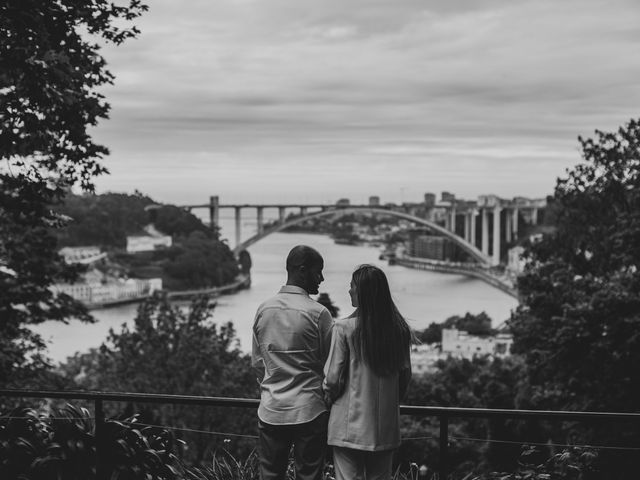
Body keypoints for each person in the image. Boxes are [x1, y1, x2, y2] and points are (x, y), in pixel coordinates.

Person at [323, 264, 413, 480]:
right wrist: (391, 403)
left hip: (348, 425)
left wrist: (328, 399)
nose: (349, 291)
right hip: (385, 427)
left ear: (362, 292)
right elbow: (405, 377)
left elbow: (332, 380)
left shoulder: (344, 329)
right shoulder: (398, 330)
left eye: (352, 286)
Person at [252, 245, 334, 480]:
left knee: (270, 475)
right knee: (309, 475)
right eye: (318, 272)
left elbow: (258, 363)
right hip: (309, 409)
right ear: (302, 270)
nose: (321, 278)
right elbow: (332, 366)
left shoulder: (264, 310)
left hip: (271, 409)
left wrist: (272, 387)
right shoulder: (319, 314)